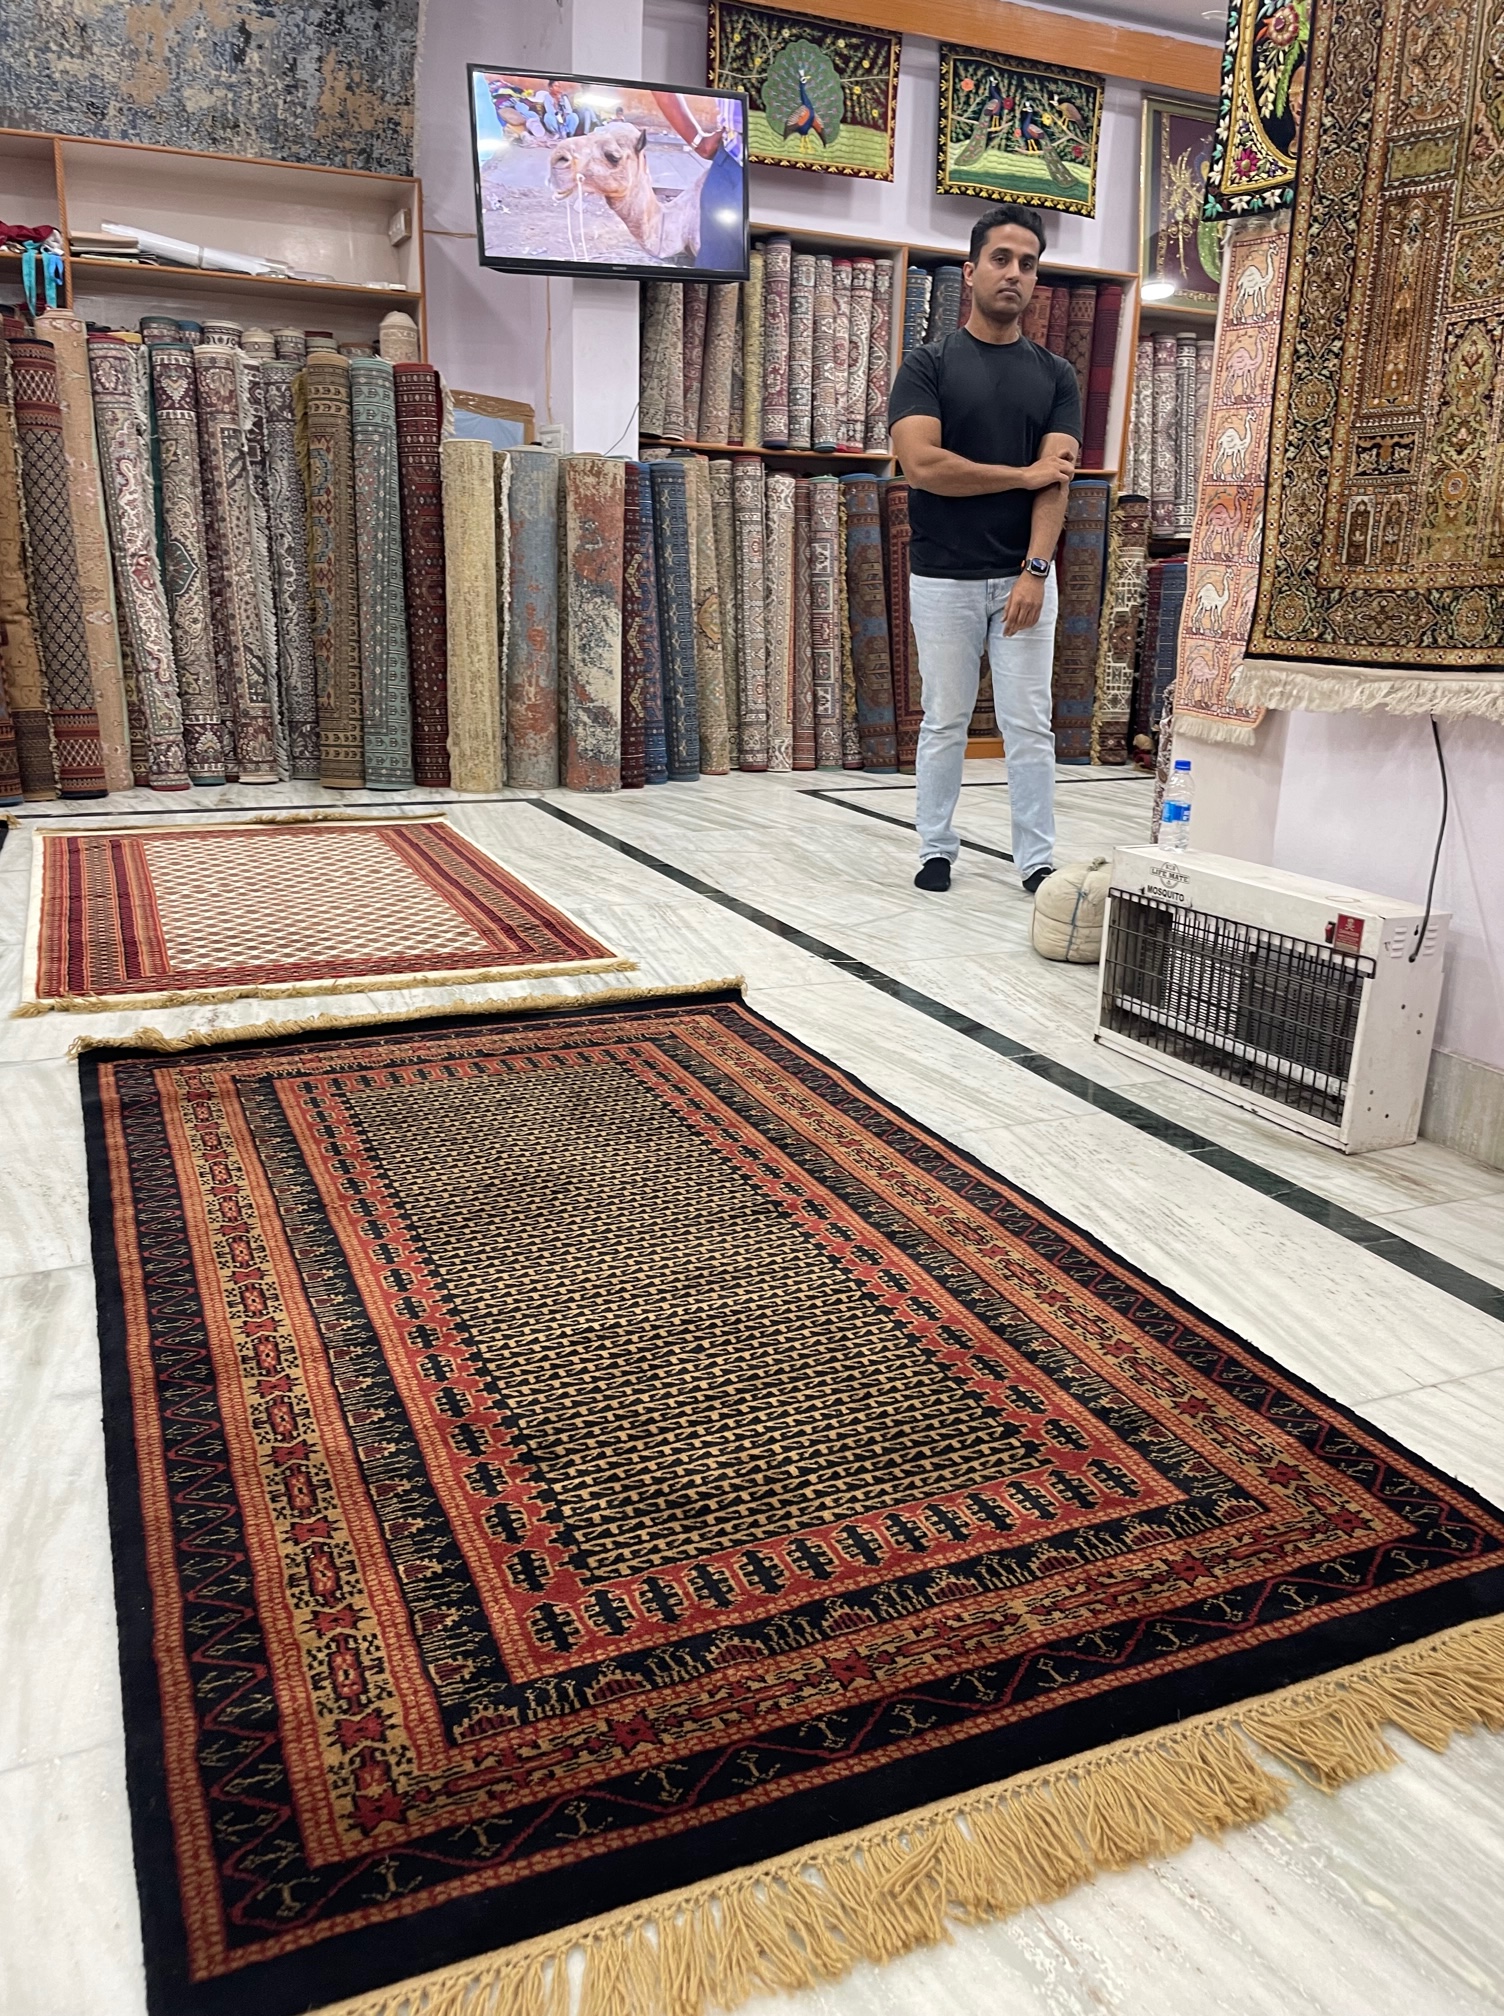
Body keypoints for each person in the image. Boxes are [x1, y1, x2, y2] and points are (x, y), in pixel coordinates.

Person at [888, 203, 1080, 896]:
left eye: (1028, 264)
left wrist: (1035, 569)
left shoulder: (1056, 375)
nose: (1014, 273)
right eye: (1001, 259)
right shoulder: (927, 366)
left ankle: (1036, 860)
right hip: (944, 577)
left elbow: (1057, 481)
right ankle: (935, 849)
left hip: (1023, 577)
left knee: (1029, 725)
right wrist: (1022, 475)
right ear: (970, 272)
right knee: (944, 720)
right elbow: (923, 466)